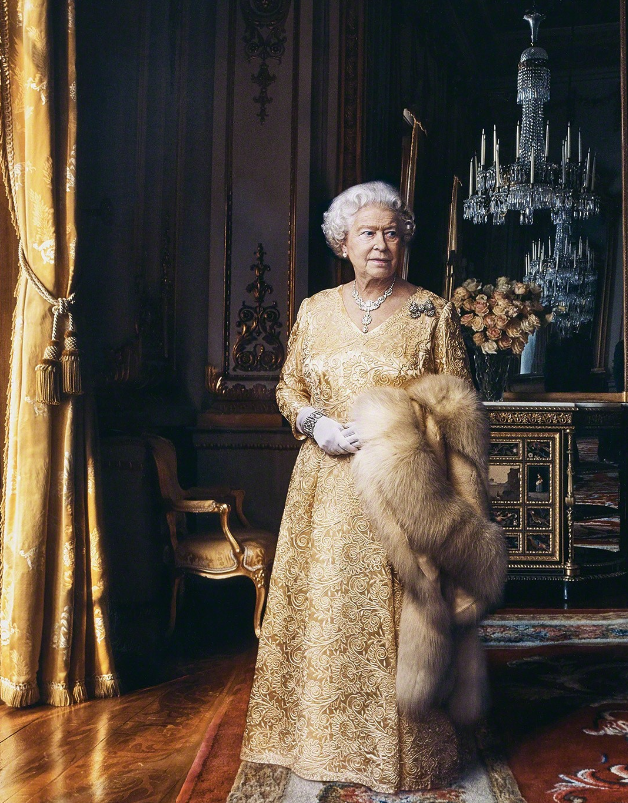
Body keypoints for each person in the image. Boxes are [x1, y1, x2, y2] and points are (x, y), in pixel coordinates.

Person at [232, 181, 471, 797]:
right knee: (326, 611)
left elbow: (456, 403)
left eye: (392, 232)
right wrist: (316, 424)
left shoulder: (430, 311)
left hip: (402, 488)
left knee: (403, 614)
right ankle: (316, 741)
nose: (381, 244)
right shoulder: (315, 311)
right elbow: (289, 391)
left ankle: (404, 751)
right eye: (367, 233)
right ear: (342, 242)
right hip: (326, 488)